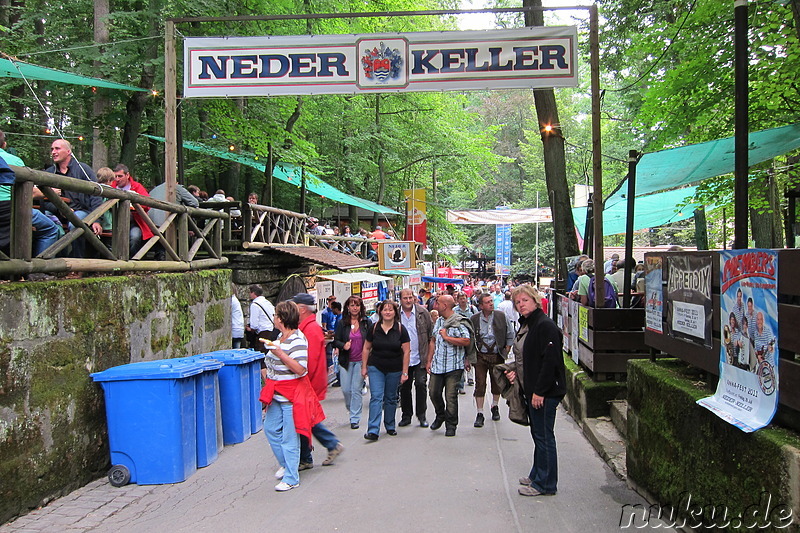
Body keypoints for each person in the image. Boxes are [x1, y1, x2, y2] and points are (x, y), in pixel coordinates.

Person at [506, 284, 566, 497]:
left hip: (545, 391)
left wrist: (540, 391)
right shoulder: (530, 324)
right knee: (538, 434)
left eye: (525, 300)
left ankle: (546, 483)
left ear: (535, 300)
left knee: (544, 436)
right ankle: (537, 474)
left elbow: (550, 362)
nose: (521, 305)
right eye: (518, 302)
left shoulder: (544, 325)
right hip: (533, 388)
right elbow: (528, 359)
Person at [259, 300, 323, 492]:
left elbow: (301, 369)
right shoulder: (280, 336)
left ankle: (291, 477)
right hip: (277, 393)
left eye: (275, 315)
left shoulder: (297, 340)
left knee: (289, 438)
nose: (274, 318)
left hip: (292, 396)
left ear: (281, 318)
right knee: (270, 428)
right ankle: (287, 464)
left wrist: (279, 353)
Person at [292, 293, 344, 471]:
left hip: (309, 382)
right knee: (305, 418)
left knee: (306, 418)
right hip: (309, 382)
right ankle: (307, 456)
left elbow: (311, 361)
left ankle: (328, 445)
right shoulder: (309, 327)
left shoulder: (310, 329)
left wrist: (304, 383)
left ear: (302, 309)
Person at [0, 131, 59, 258]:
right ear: (4, 145)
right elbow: (30, 192)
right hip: (9, 209)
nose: (53, 151)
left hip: (8, 211)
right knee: (50, 229)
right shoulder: (14, 160)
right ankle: (37, 268)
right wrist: (52, 193)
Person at [361, 299, 410, 441]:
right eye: (385, 309)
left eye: (390, 310)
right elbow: (366, 348)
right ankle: (373, 430)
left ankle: (390, 425)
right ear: (380, 312)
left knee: (390, 398)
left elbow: (406, 351)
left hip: (394, 368)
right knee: (376, 397)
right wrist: (364, 367)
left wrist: (405, 372)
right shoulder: (374, 328)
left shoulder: (401, 329)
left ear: (395, 312)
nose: (387, 312)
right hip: (376, 366)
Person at [45, 139, 103, 258]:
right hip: (57, 212)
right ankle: (50, 263)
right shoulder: (50, 172)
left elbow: (96, 194)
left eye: (57, 148)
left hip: (81, 211)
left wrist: (97, 219)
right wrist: (60, 209)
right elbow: (43, 201)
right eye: (52, 149)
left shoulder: (82, 169)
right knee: (43, 221)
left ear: (68, 151)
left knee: (75, 224)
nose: (53, 152)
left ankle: (78, 264)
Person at [427, 294, 473, 437]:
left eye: (438, 303)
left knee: (451, 396)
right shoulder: (439, 321)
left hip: (454, 365)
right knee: (434, 392)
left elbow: (466, 340)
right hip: (438, 364)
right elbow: (433, 341)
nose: (436, 305)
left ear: (445, 306)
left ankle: (451, 424)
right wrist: (429, 360)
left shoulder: (458, 321)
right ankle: (440, 415)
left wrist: (448, 338)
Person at [470, 293, 514, 428]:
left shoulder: (501, 316)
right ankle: (480, 413)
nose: (491, 304)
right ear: (481, 305)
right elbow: (470, 338)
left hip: (497, 354)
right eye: (487, 302)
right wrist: (469, 357)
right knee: (480, 383)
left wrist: (506, 350)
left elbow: (510, 334)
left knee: (496, 383)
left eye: (491, 301)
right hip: (481, 355)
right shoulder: (474, 319)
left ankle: (495, 406)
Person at [397, 288, 434, 428]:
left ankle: (422, 415)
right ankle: (406, 415)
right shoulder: (396, 314)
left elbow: (431, 335)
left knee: (420, 384)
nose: (408, 300)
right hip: (402, 359)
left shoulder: (422, 313)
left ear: (413, 298)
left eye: (410, 297)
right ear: (400, 299)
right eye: (405, 298)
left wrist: (429, 358)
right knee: (404, 387)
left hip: (420, 356)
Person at [332, 295, 371, 429]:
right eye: (352, 305)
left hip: (361, 361)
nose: (355, 308)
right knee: (346, 390)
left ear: (361, 307)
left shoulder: (366, 322)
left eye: (357, 305)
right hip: (346, 361)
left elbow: (372, 341)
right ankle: (351, 407)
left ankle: (355, 417)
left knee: (356, 390)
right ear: (348, 307)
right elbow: (335, 341)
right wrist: (343, 345)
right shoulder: (342, 323)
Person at [112, 164, 153, 257]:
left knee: (135, 237)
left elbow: (148, 203)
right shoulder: (111, 186)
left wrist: (135, 206)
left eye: (120, 176)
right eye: (115, 176)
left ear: (127, 175)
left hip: (135, 222)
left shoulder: (137, 187)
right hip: (113, 222)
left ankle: (132, 260)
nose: (117, 179)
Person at [247, 284, 277, 354]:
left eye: (250, 292)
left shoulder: (255, 305)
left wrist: (250, 329)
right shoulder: (267, 302)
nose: (249, 294)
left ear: (253, 293)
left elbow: (254, 324)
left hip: (262, 333)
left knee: (261, 354)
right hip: (271, 330)